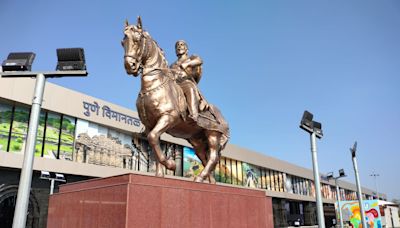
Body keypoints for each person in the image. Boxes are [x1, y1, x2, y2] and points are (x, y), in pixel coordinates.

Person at [170, 40, 206, 121]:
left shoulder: (191, 57)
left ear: (186, 49)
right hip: (174, 84)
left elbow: (200, 61)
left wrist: (187, 64)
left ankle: (194, 114)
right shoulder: (172, 65)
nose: (179, 46)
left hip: (185, 82)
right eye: (177, 46)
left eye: (182, 45)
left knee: (190, 87)